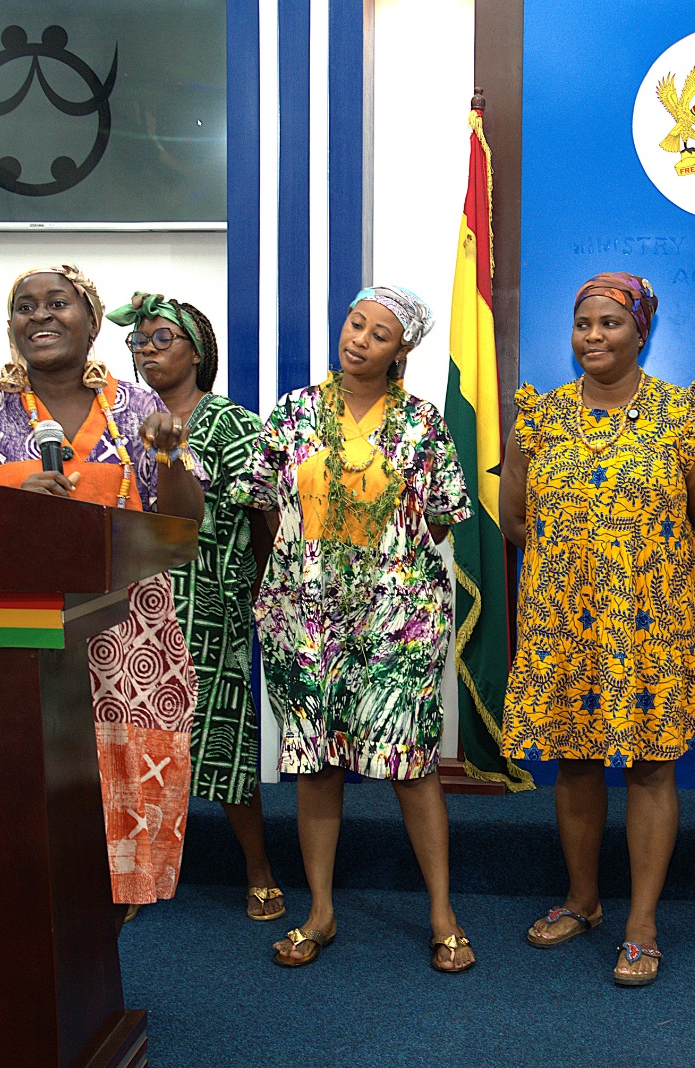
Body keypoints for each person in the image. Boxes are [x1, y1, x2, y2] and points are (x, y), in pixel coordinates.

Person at [0, 264, 207, 913]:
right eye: (25, 306)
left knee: (122, 834)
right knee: (14, 830)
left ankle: (97, 959)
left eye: (57, 303)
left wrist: (169, 456)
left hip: (130, 652)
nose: (39, 315)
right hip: (11, 650)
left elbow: (183, 525)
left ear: (92, 322)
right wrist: (7, 503)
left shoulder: (138, 408)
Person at [236, 285, 477, 973]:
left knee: (411, 764)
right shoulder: (293, 413)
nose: (359, 339)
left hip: (398, 622)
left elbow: (440, 521)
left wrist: (382, 568)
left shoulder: (422, 423)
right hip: (305, 619)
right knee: (316, 766)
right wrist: (297, 577)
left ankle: (442, 915)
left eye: (378, 333)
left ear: (400, 351)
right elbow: (262, 504)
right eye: (355, 323)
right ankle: (320, 911)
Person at [499, 271, 695, 988]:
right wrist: (576, 570)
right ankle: (583, 900)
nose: (592, 336)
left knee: (652, 764)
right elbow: (514, 520)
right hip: (562, 623)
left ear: (641, 332)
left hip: (652, 623)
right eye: (583, 324)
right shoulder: (538, 418)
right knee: (574, 759)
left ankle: (642, 924)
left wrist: (644, 570)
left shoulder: (687, 418)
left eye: (610, 323)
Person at [109, 291, 284, 922]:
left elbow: (265, 517)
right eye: (139, 341)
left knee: (224, 736)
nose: (147, 350)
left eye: (163, 338)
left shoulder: (232, 424)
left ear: (198, 351)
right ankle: (135, 875)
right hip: (134, 602)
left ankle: (258, 869)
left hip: (210, 598)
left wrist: (262, 597)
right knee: (136, 739)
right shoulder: (122, 420)